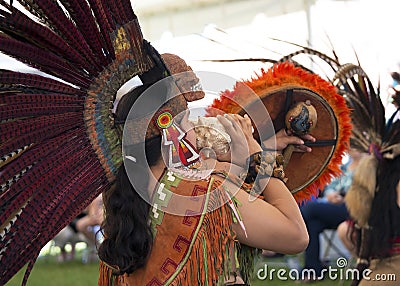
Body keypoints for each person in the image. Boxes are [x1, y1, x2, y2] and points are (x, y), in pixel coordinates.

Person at [97, 56, 312, 285]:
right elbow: (296, 235)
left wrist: (257, 150)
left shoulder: (122, 193)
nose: (195, 127)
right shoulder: (204, 194)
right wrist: (261, 159)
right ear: (171, 134)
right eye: (188, 120)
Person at [297, 147, 363, 282]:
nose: (353, 148)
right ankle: (314, 270)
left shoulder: (367, 167)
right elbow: (330, 187)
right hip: (334, 206)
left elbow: (365, 193)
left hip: (353, 209)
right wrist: (330, 195)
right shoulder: (344, 166)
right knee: (313, 225)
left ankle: (280, 249)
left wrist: (346, 198)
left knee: (308, 208)